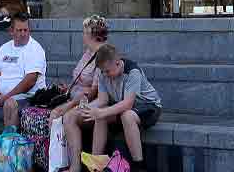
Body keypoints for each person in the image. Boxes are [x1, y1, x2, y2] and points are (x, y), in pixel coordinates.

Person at [64, 44, 161, 172]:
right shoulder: (103, 73)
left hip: (148, 106)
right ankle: (95, 163)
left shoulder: (132, 72)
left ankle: (139, 165)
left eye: (107, 71)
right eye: (103, 71)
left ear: (117, 63)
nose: (105, 74)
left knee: (126, 116)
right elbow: (103, 100)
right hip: (123, 108)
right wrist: (87, 108)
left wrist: (101, 111)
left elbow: (128, 104)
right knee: (100, 115)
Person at [0, 13, 45, 132]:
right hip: (1, 96)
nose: (23, 34)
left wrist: (6, 97)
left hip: (26, 98)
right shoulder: (5, 48)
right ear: (11, 31)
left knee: (9, 105)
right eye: (19, 30)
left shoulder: (35, 49)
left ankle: (9, 148)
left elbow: (30, 81)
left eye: (26, 30)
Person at [49, 15, 110, 123]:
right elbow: (79, 77)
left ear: (92, 35)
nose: (83, 36)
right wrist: (67, 88)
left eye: (84, 32)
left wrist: (69, 105)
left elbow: (93, 92)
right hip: (74, 96)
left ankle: (56, 140)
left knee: (55, 114)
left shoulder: (102, 55)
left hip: (85, 102)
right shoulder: (89, 52)